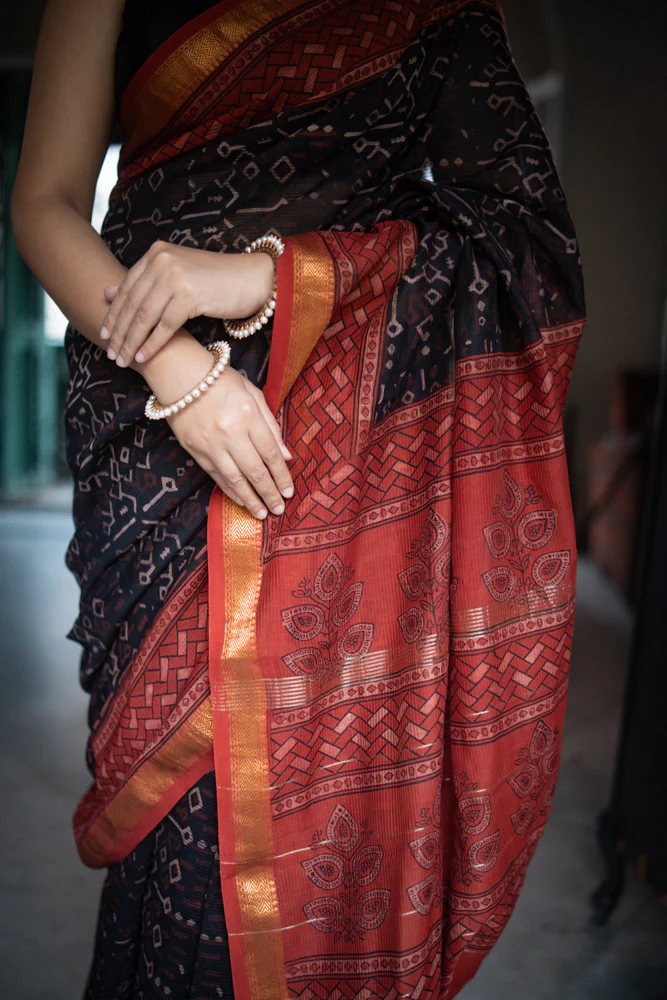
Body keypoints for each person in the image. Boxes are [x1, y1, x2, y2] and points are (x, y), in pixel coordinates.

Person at [11, 0, 586, 997]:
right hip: (149, 426)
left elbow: (525, 249)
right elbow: (45, 202)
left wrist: (274, 279)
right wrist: (178, 374)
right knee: (183, 815)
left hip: (353, 439)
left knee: (322, 810)